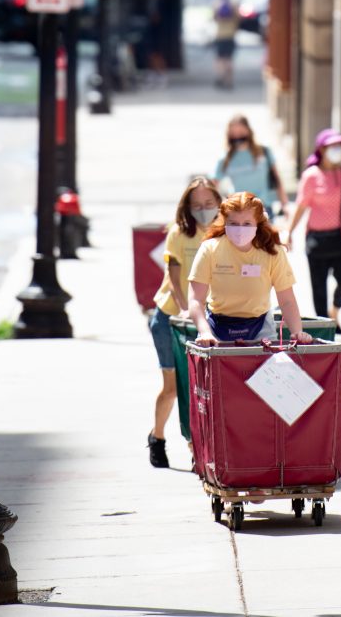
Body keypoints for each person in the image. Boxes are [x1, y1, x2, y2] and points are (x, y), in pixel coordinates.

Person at [147, 175, 222, 468]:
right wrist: (183, 310)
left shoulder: (224, 232)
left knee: (200, 389)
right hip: (172, 318)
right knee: (173, 387)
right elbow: (174, 279)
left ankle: (198, 449)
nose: (203, 209)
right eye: (196, 204)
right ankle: (158, 436)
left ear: (218, 202)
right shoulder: (180, 233)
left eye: (208, 203)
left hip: (208, 319)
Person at [188, 191, 312, 344]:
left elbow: (286, 300)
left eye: (247, 224)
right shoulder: (209, 249)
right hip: (216, 326)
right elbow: (195, 300)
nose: (240, 229)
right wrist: (205, 332)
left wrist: (297, 332)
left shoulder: (273, 252)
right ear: (225, 222)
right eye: (233, 224)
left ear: (257, 224)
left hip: (260, 327)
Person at [286, 128, 341, 325]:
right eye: (332, 146)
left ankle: (335, 312)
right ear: (322, 149)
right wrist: (290, 232)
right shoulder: (311, 176)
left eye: (339, 146)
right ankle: (323, 324)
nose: (336, 150)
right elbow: (302, 206)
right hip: (317, 239)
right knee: (318, 287)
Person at [213, 114, 289, 216]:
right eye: (233, 133)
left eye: (240, 132)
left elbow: (276, 178)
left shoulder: (264, 151)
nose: (237, 136)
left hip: (264, 209)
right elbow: (213, 185)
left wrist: (284, 204)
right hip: (239, 212)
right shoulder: (225, 159)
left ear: (248, 130)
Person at [212, 0, 238, 89]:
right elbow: (238, 18)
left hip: (220, 35)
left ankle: (221, 77)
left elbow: (214, 18)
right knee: (229, 59)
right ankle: (229, 80)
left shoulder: (216, 3)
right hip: (231, 35)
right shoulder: (233, 3)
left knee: (220, 59)